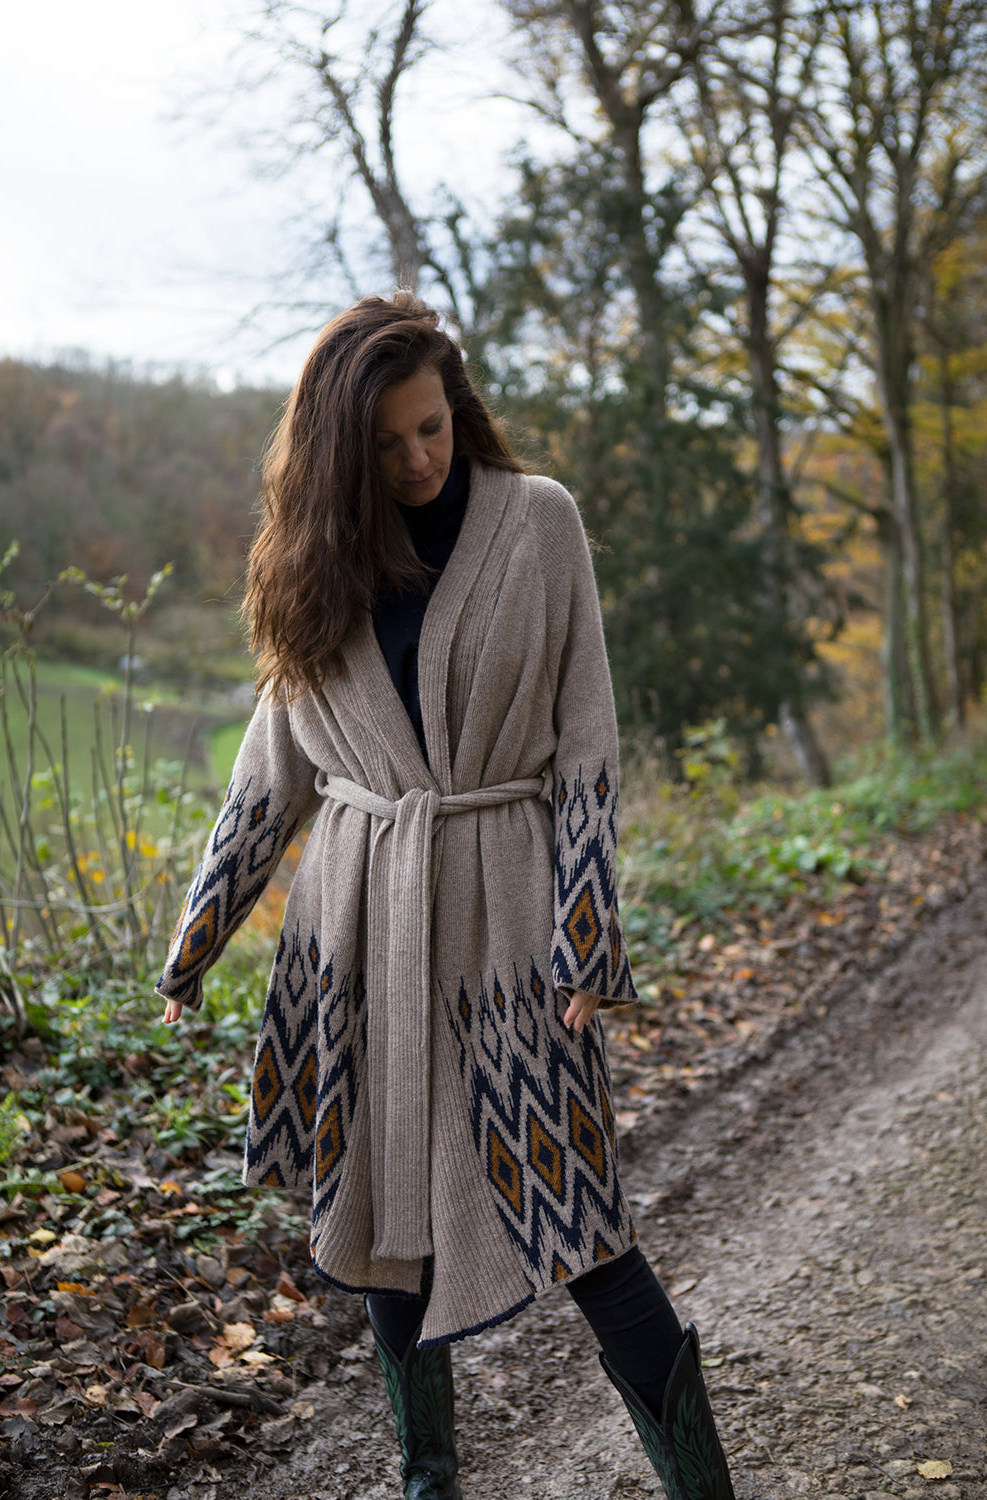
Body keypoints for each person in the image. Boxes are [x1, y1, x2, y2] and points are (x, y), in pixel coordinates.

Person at [156, 292, 738, 1500]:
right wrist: (199, 937)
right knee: (379, 1223)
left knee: (585, 1226)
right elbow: (273, 773)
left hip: (508, 918)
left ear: (457, 408)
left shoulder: (536, 523)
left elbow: (585, 740)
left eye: (433, 427)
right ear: (339, 458)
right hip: (359, 928)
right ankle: (431, 1485)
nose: (420, 458)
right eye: (389, 444)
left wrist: (587, 938)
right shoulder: (311, 572)